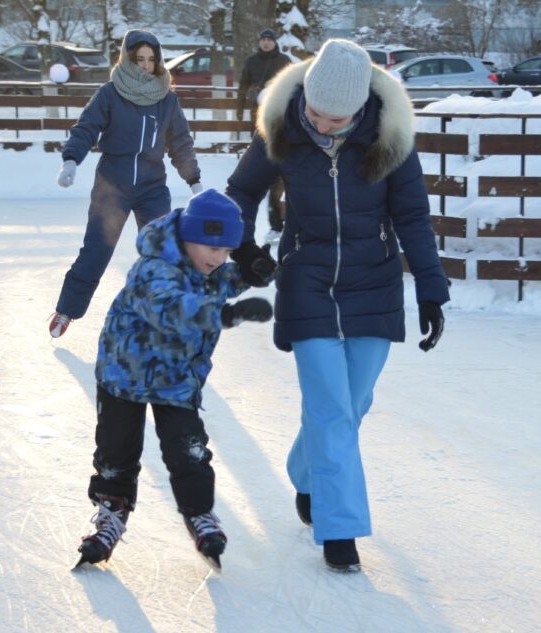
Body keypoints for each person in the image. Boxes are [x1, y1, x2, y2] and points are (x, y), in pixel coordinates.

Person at [226, 39, 449, 573]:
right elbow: (240, 193)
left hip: (374, 279)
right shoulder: (282, 126)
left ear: (360, 109)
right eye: (315, 113)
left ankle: (307, 473)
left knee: (353, 403)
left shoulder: (389, 138)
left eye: (335, 119)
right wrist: (247, 249)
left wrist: (431, 288)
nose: (322, 125)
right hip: (306, 276)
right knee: (330, 407)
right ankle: (340, 526)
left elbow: (413, 216)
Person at [75, 189, 274, 570]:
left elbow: (218, 281)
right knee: (116, 452)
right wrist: (227, 316)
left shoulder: (205, 265)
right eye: (211, 249)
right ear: (186, 238)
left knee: (190, 451)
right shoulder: (153, 269)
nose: (217, 259)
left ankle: (200, 513)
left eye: (226, 252)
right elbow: (172, 309)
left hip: (177, 377)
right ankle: (110, 515)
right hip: (124, 375)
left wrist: (250, 273)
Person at [50, 29, 203, 338]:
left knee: (164, 251)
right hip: (113, 186)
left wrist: (194, 181)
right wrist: (71, 159)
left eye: (151, 59)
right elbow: (87, 128)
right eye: (139, 59)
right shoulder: (110, 93)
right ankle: (67, 309)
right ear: (126, 59)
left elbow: (181, 143)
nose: (145, 65)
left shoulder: (166, 99)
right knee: (96, 250)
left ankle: (164, 315)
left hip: (152, 187)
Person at [235, 28, 292, 241]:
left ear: (275, 42)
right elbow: (243, 85)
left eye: (270, 39)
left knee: (282, 175)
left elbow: (293, 85)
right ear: (259, 42)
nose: (266, 43)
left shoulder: (284, 60)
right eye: (263, 39)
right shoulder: (251, 61)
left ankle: (281, 223)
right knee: (264, 170)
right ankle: (272, 224)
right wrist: (239, 107)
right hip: (258, 119)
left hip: (282, 120)